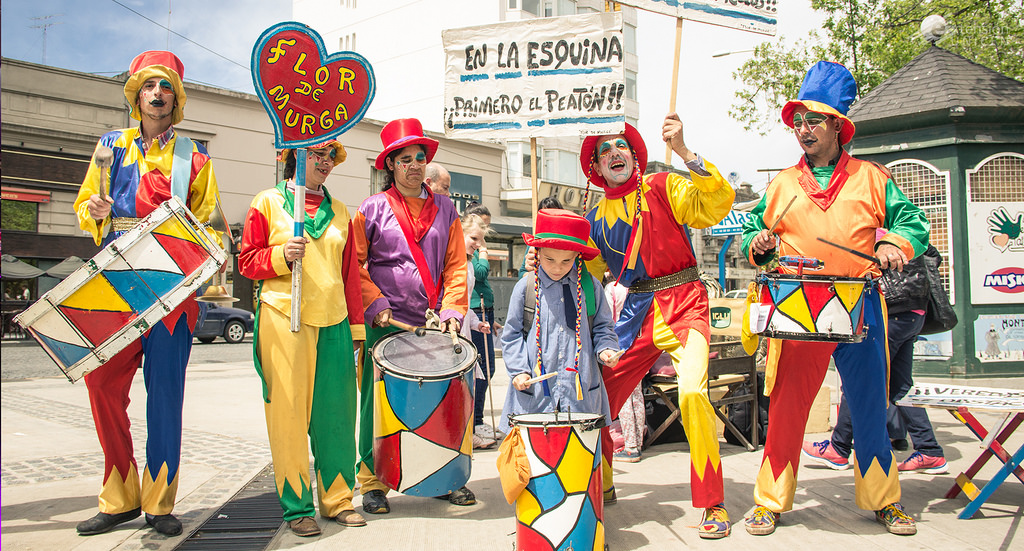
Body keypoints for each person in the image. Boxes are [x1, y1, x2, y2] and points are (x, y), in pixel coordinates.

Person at [740, 61, 930, 537]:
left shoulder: (872, 177)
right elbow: (750, 231)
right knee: (786, 405)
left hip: (861, 302)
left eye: (814, 120)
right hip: (798, 304)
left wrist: (893, 244)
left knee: (868, 404)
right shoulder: (782, 183)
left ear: (837, 127)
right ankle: (770, 500)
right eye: (798, 121)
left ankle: (884, 500)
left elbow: (914, 225)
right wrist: (757, 243)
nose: (803, 129)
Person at [71, 51, 221, 537]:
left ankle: (159, 501)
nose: (158, 95)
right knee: (101, 387)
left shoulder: (195, 158)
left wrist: (202, 250)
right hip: (115, 285)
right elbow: (86, 209)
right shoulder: (109, 147)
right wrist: (95, 209)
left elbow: (213, 229)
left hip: (173, 294)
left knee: (165, 397)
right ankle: (119, 494)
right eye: (149, 87)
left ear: (176, 99)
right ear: (136, 95)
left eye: (167, 88)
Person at [580, 113, 736, 539]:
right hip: (635, 311)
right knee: (596, 396)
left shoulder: (663, 185)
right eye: (604, 150)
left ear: (635, 154)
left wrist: (685, 151)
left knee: (692, 393)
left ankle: (712, 502)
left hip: (685, 301)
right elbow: (589, 272)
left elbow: (714, 205)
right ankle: (602, 483)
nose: (614, 153)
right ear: (596, 166)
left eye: (621, 146)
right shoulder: (593, 218)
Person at [238, 141, 367, 536]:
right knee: (289, 415)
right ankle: (297, 508)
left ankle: (338, 499)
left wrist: (356, 330)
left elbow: (349, 277)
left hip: (334, 322)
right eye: (317, 153)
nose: (325, 162)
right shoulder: (267, 203)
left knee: (337, 417)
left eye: (331, 156)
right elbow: (245, 261)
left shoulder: (343, 212)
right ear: (294, 155)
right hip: (283, 316)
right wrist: (280, 255)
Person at [353, 118, 472, 513]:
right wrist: (376, 305)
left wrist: (454, 308)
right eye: (405, 159)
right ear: (390, 164)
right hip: (386, 325)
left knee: (440, 401)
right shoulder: (370, 209)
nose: (415, 165)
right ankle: (373, 482)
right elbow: (356, 265)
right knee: (377, 402)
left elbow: (456, 265)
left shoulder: (447, 208)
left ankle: (443, 476)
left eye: (420, 157)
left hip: (434, 325)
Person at [803, 244, 948, 475]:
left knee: (860, 379)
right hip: (914, 312)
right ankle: (929, 449)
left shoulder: (882, 224)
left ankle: (839, 448)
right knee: (900, 385)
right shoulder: (908, 230)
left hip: (892, 309)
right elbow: (933, 254)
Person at [500, 208, 619, 432]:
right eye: (549, 259)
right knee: (535, 461)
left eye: (566, 261)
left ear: (577, 256)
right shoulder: (525, 287)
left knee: (578, 461)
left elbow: (603, 327)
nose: (557, 268)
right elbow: (512, 334)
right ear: (537, 251)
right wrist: (519, 371)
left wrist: (606, 349)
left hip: (580, 392)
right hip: (533, 394)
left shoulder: (590, 286)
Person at [464, 202, 502, 441]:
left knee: (485, 369)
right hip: (470, 316)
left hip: (479, 315)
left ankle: (474, 421)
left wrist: (480, 321)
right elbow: (481, 272)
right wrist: (485, 252)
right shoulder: (466, 256)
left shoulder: (468, 256)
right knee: (477, 370)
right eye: (478, 234)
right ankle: (474, 422)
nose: (481, 241)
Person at [604, 277, 644, 463]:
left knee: (624, 397)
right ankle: (638, 441)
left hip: (617, 344)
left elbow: (605, 319)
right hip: (639, 343)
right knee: (637, 395)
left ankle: (630, 447)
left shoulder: (611, 288)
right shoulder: (638, 286)